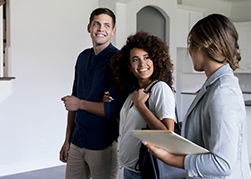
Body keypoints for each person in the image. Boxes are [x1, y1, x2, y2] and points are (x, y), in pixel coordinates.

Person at [143, 14, 251, 179]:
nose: (189, 51)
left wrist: (170, 158)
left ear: (201, 46)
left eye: (190, 44)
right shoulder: (215, 85)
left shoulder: (223, 91)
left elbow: (223, 164)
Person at [60, 7, 126, 179]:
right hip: (77, 140)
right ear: (89, 27)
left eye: (106, 25)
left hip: (102, 144)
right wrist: (67, 140)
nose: (101, 29)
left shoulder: (118, 60)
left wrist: (80, 104)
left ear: (113, 31)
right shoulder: (82, 57)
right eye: (97, 24)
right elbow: (73, 101)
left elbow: (114, 109)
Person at [105, 31, 177, 179]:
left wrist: (141, 106)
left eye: (147, 57)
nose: (142, 64)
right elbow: (128, 126)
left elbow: (168, 134)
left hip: (147, 170)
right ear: (130, 67)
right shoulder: (133, 93)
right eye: (135, 60)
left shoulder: (160, 88)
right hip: (130, 169)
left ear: (156, 60)